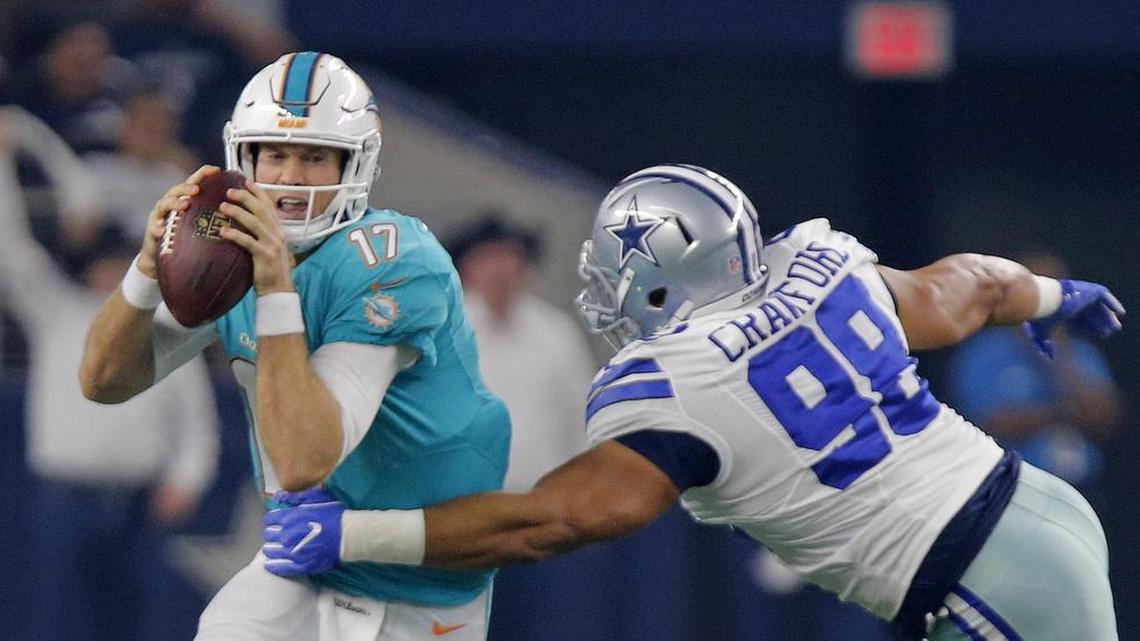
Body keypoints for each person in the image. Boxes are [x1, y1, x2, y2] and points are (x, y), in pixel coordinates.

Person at [260, 164, 1124, 641]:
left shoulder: (672, 386)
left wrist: (356, 532)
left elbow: (552, 521)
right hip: (1038, 514)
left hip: (985, 577)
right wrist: (1051, 297)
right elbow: (962, 287)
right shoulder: (823, 267)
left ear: (660, 284)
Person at [79, 52, 510, 640]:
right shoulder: (234, 252)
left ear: (356, 163)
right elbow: (103, 380)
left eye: (314, 157)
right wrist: (147, 269)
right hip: (300, 553)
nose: (288, 178)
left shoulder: (395, 261)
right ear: (243, 157)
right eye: (274, 154)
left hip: (410, 579)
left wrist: (277, 288)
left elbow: (306, 461)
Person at [0, 106, 219, 641]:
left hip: (139, 501)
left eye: (121, 262)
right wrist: (4, 166)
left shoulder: (161, 324)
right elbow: (10, 251)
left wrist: (187, 476)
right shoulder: (58, 310)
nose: (109, 272)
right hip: (64, 497)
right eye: (103, 261)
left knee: (138, 624)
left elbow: (196, 415)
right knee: (54, 621)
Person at [948, 250, 1122, 507]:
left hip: (1080, 489)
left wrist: (1057, 357)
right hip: (1011, 491)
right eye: (1037, 284)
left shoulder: (1080, 352)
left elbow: (1104, 418)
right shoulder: (985, 352)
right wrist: (1063, 415)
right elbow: (992, 421)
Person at [447, 213, 593, 492]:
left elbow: (581, 419)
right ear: (466, 268)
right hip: (464, 500)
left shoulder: (557, 334)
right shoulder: (444, 334)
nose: (499, 270)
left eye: (509, 257)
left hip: (543, 498)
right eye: (488, 258)